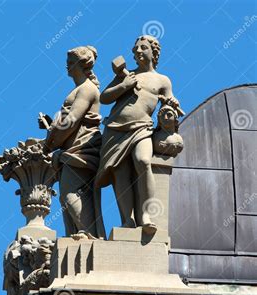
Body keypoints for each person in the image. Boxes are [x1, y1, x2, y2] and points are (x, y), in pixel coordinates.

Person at [95, 35, 180, 234]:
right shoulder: (126, 75)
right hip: (115, 128)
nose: (138, 52)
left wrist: (172, 103)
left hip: (142, 127)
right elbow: (105, 97)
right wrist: (124, 85)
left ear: (153, 51)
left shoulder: (162, 80)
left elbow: (168, 104)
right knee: (120, 172)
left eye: (143, 48)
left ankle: (146, 215)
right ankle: (127, 220)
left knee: (143, 161)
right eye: (135, 50)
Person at [38, 45, 105, 239]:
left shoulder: (87, 89)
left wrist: (49, 142)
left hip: (82, 149)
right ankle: (82, 233)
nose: (67, 66)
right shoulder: (81, 89)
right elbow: (68, 122)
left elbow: (72, 119)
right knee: (67, 195)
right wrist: (51, 127)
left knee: (71, 194)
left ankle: (89, 234)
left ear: (80, 64)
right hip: (72, 149)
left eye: (70, 63)